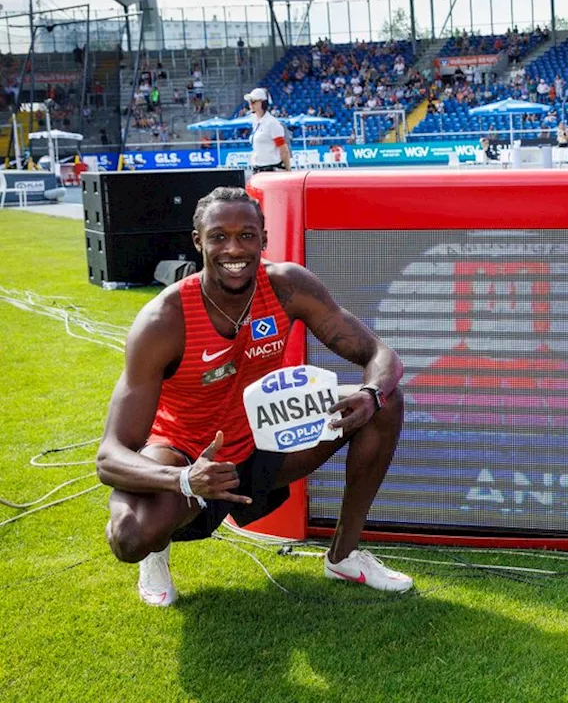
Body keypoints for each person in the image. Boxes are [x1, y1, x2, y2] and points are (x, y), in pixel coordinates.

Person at [97, 187, 412, 606]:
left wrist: (371, 394)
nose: (234, 248)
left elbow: (378, 353)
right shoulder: (163, 320)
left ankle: (344, 555)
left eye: (246, 235)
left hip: (265, 440)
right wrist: (184, 479)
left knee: (386, 403)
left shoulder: (287, 286)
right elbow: (110, 455)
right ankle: (157, 553)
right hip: (189, 454)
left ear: (264, 238)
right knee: (131, 536)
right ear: (198, 242)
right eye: (218, 236)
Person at [244, 87, 291, 174]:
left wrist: (288, 170)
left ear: (263, 103)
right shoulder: (256, 122)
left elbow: (284, 150)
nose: (251, 104)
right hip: (258, 169)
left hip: (271, 170)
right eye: (249, 102)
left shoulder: (272, 123)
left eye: (253, 101)